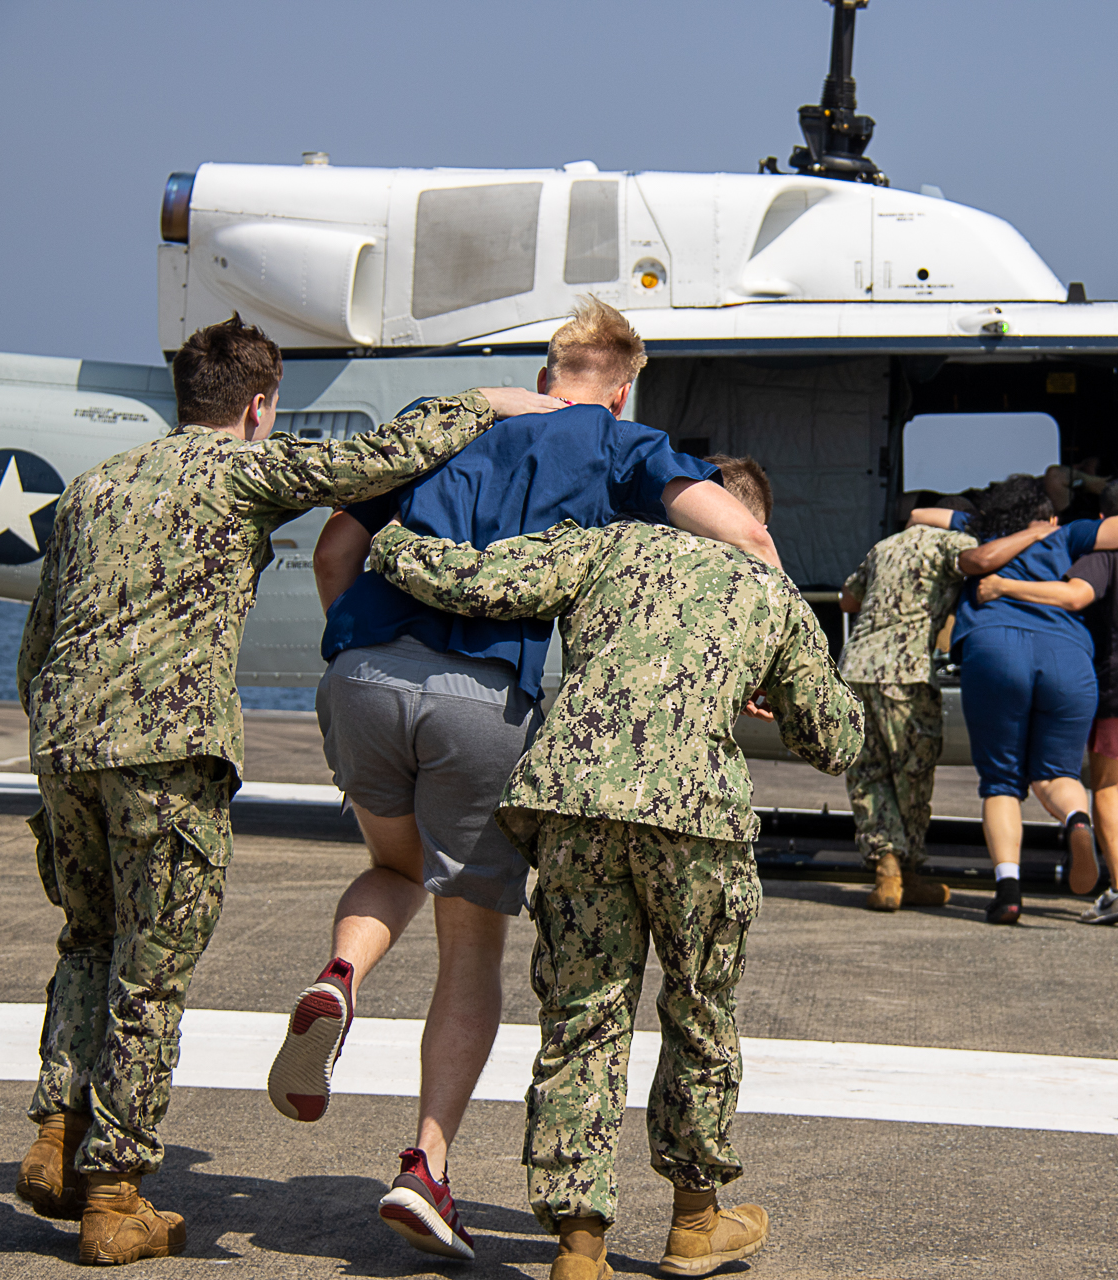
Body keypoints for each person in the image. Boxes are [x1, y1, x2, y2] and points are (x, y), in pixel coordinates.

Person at [12, 313, 547, 1266]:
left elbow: (39, 634)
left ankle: (56, 1137)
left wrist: (50, 745)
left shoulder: (95, 487)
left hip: (64, 745)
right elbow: (379, 460)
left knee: (86, 940)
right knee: (150, 970)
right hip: (166, 753)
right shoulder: (242, 471)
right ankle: (115, 1189)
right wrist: (489, 400)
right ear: (258, 407)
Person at [268, 299, 776, 1262]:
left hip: (361, 677)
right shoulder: (621, 443)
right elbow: (742, 541)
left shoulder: (448, 417)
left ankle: (340, 976)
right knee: (471, 941)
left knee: (392, 866)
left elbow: (336, 550)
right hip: (481, 698)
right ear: (621, 387)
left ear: (546, 370)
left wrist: (353, 648)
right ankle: (426, 1166)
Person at [365, 458, 863, 1280]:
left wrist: (386, 539)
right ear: (753, 523)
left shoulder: (607, 547)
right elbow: (838, 742)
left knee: (582, 1012)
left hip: (574, 804)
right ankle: (696, 1222)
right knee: (699, 1009)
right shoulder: (766, 588)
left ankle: (578, 1245)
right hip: (694, 819)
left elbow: (479, 580)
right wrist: (760, 686)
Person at [976, 480, 1118, 926]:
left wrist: (1005, 586)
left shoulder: (1108, 554)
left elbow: (1077, 596)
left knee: (1106, 786)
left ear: (1106, 521)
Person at [837, 498, 977, 910]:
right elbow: (977, 564)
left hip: (856, 667)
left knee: (868, 773)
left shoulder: (886, 545)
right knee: (910, 774)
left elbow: (847, 599)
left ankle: (887, 872)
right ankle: (909, 870)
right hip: (906, 671)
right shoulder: (953, 543)